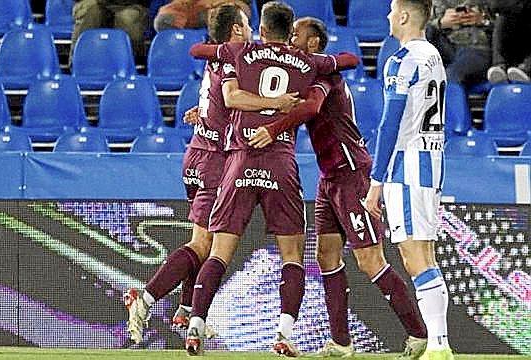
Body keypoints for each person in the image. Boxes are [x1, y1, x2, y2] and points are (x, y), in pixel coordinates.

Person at [248, 16, 428, 359]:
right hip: (328, 177)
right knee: (326, 256)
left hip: (352, 174)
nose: (290, 39)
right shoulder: (304, 74)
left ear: (313, 43)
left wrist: (272, 129)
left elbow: (313, 107)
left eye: (296, 35)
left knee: (369, 259)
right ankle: (342, 342)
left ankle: (419, 334)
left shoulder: (323, 76)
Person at [185, 1, 359, 356]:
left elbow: (196, 50)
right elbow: (349, 60)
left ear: (261, 30)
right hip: (281, 160)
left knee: (219, 251)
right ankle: (283, 333)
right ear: (290, 31)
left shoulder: (242, 52)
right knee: (292, 255)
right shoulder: (308, 62)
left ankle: (195, 326)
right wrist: (325, 63)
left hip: (239, 158)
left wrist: (223, 49)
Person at [122, 4, 300, 346]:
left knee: (202, 242)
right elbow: (232, 98)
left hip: (196, 154)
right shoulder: (237, 56)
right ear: (235, 31)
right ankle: (144, 299)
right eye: (247, 25)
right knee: (204, 244)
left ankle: (188, 311)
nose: (251, 31)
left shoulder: (218, 57)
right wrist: (277, 104)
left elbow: (218, 97)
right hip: (216, 161)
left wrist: (204, 112)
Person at [364, 1, 453, 359]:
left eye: (391, 10)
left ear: (403, 16)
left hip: (408, 164)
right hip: (432, 160)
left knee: (415, 256)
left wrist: (376, 180)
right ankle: (439, 344)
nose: (387, 17)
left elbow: (390, 124)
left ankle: (438, 345)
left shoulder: (401, 61)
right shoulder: (434, 56)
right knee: (424, 255)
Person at [425, 0, 493, 88]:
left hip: (475, 48)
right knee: (428, 30)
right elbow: (419, 28)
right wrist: (441, 23)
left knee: (451, 74)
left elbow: (505, 27)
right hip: (446, 46)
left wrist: (483, 21)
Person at [70, 0, 148, 61]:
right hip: (92, 2)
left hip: (130, 4)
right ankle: (78, 66)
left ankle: (126, 68)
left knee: (127, 18)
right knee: (89, 11)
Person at [486, 0, 531, 83]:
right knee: (502, 19)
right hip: (515, 39)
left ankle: (526, 70)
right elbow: (495, 5)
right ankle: (499, 67)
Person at [154, 0, 250, 33]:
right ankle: (183, 44)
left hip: (226, 7)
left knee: (222, 14)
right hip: (193, 9)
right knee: (164, 19)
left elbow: (244, 6)